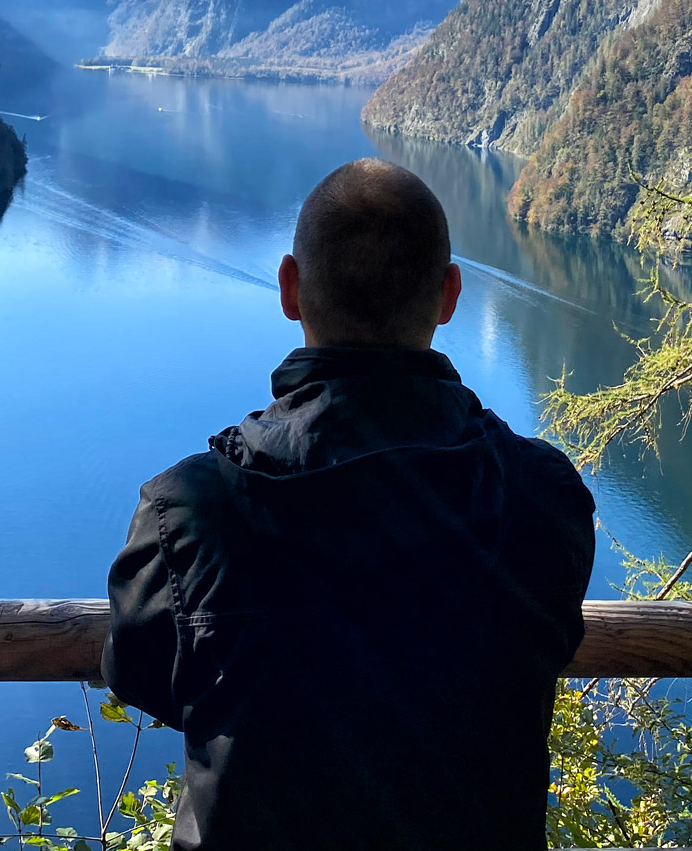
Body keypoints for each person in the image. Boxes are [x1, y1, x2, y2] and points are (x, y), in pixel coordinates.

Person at [104, 157, 596, 851]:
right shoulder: (545, 499)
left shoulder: (189, 512)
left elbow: (143, 674)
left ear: (290, 288)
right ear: (449, 295)